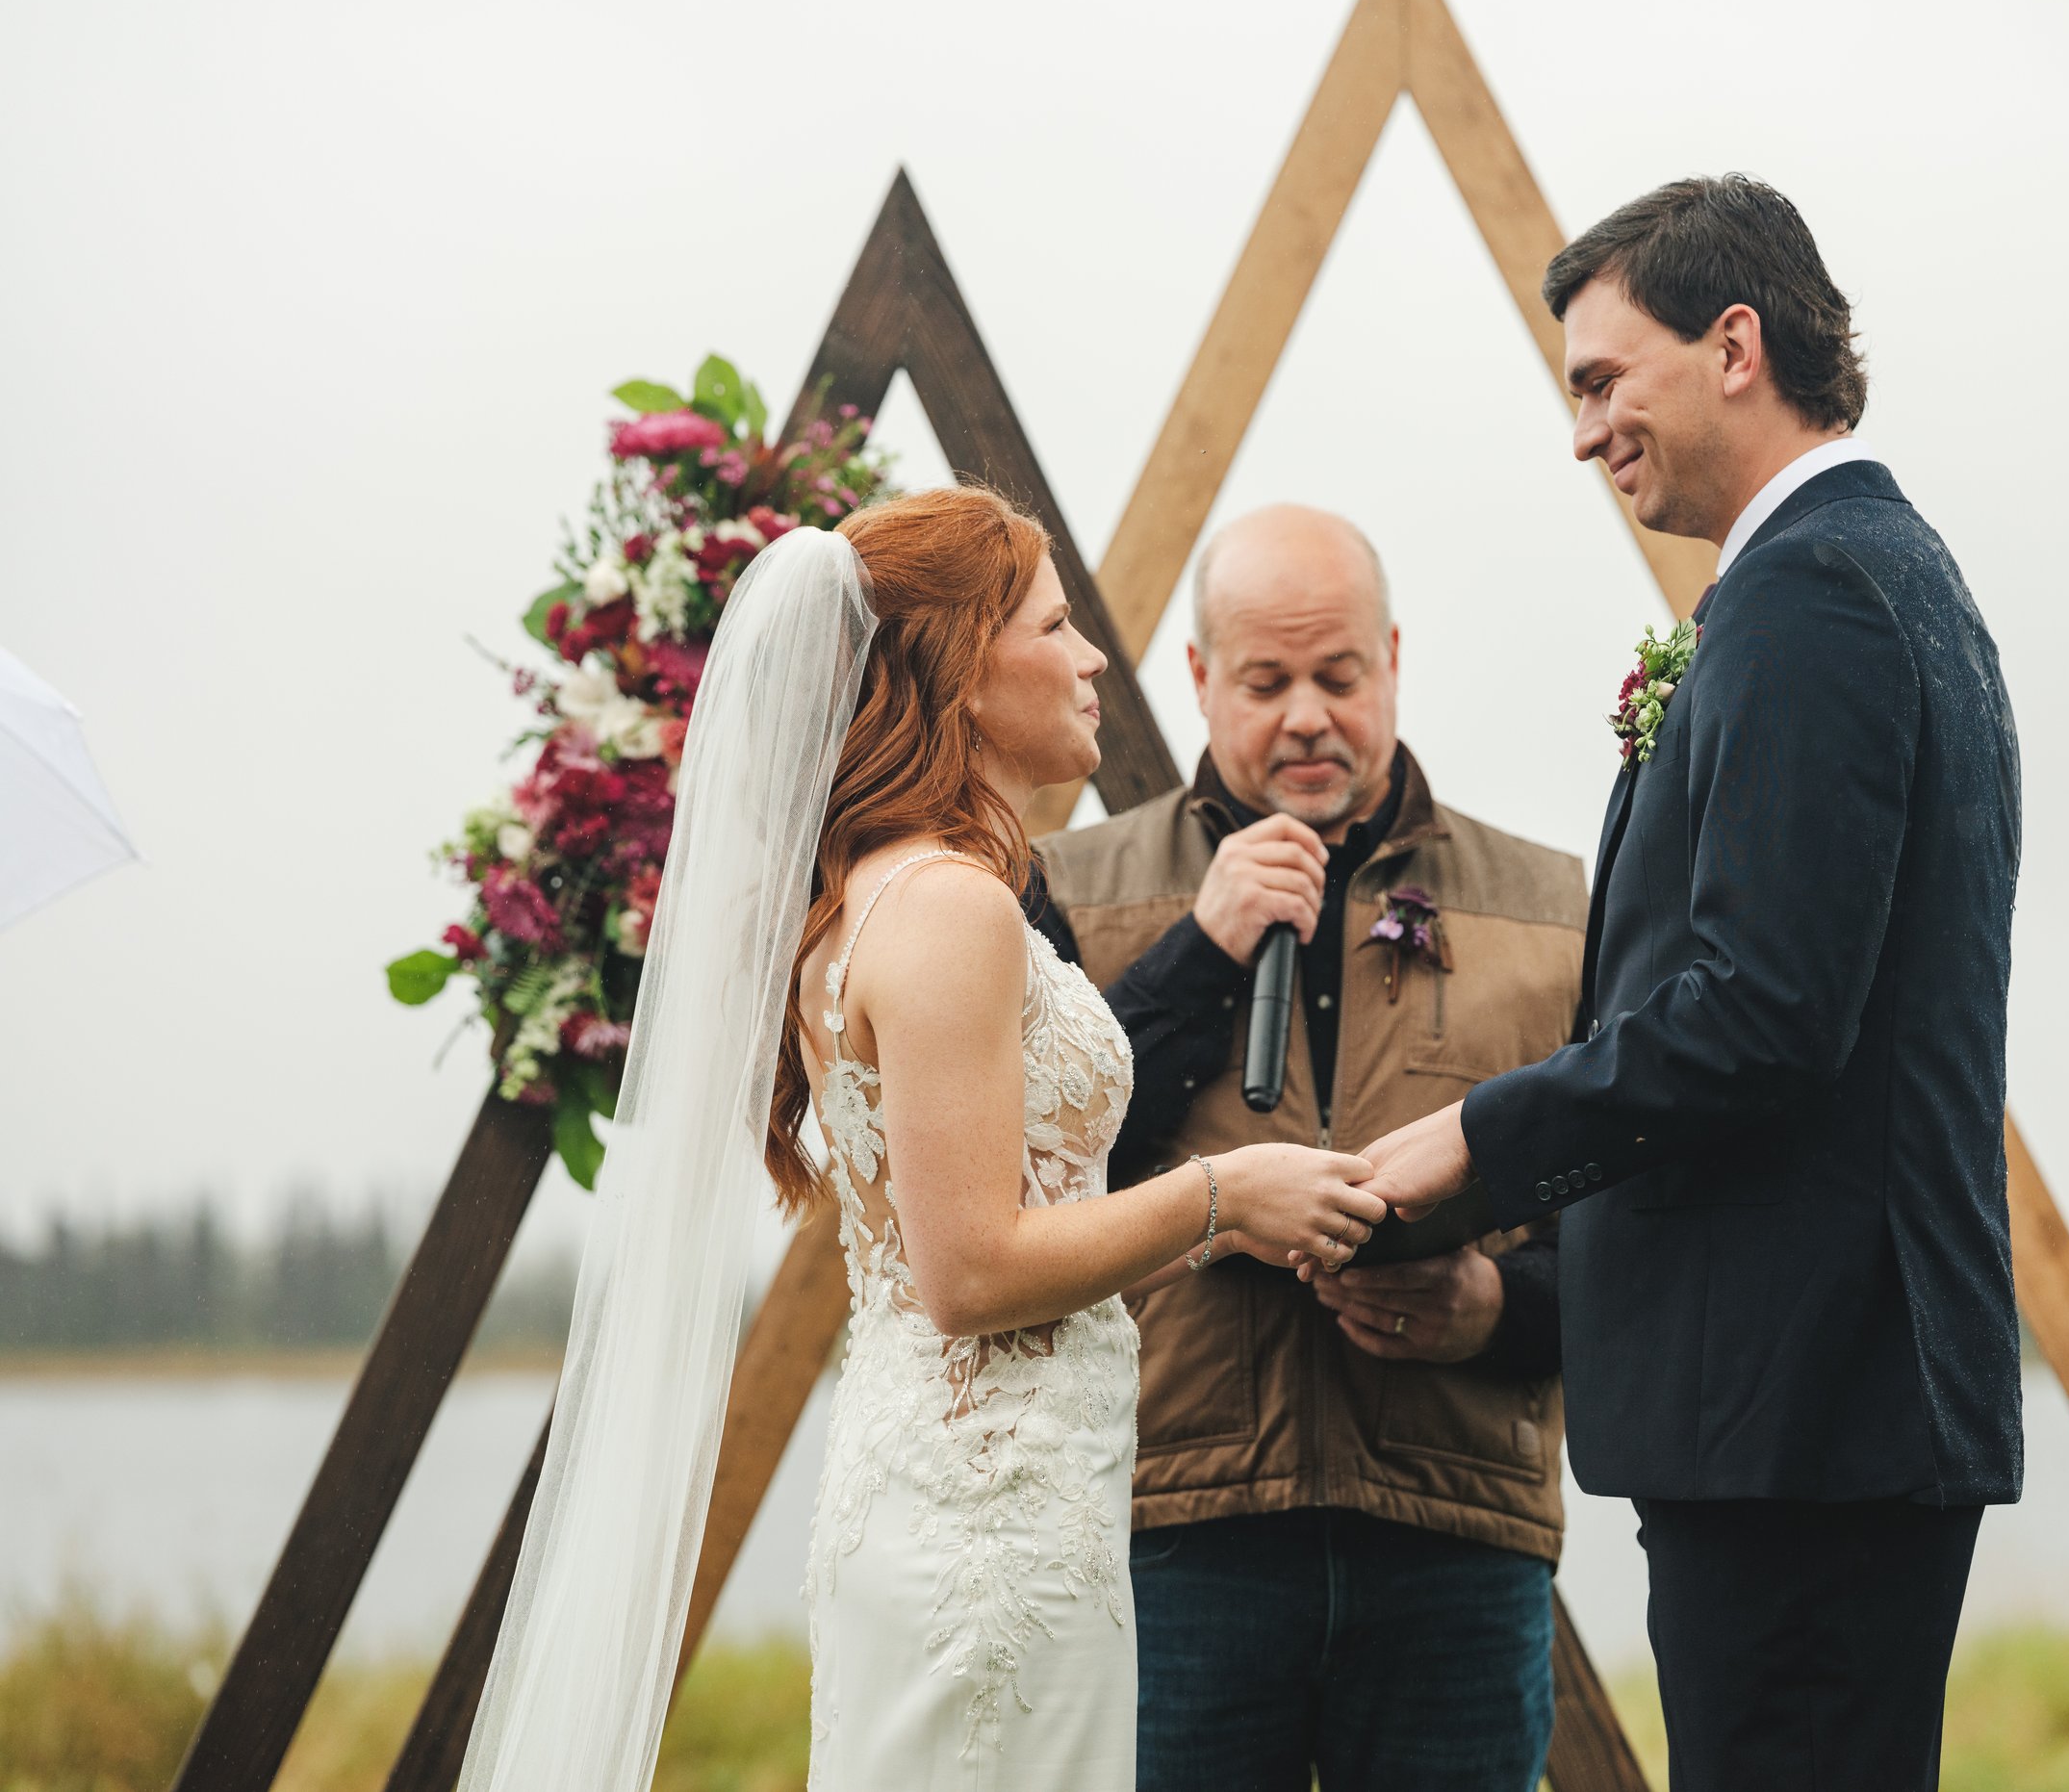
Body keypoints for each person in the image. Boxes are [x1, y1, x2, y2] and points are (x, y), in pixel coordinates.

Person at [457, 486, 1389, 1792]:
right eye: (1056, 627)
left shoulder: (884, 894)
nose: (1089, 659)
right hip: (991, 1533)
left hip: (976, 1490)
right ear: (961, 664)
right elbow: (971, 1272)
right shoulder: (951, 908)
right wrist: (1224, 1196)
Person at [1362, 177, 2025, 1792]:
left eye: (1603, 381)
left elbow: (1763, 1012)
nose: (1585, 434)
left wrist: (1478, 1145)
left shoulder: (1811, 598)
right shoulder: (1879, 575)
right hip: (1823, 1400)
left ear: (1737, 344)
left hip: (1801, 1407)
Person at [1033, 503, 1588, 1792]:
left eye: (1339, 678)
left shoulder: (1556, 910)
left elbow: (1642, 1238)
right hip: (1172, 1532)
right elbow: (1031, 1187)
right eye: (1266, 683)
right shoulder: (1071, 889)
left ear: (1393, 659)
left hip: (1458, 1539)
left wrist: (1495, 1305)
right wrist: (1200, 952)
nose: (1305, 719)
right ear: (1197, 679)